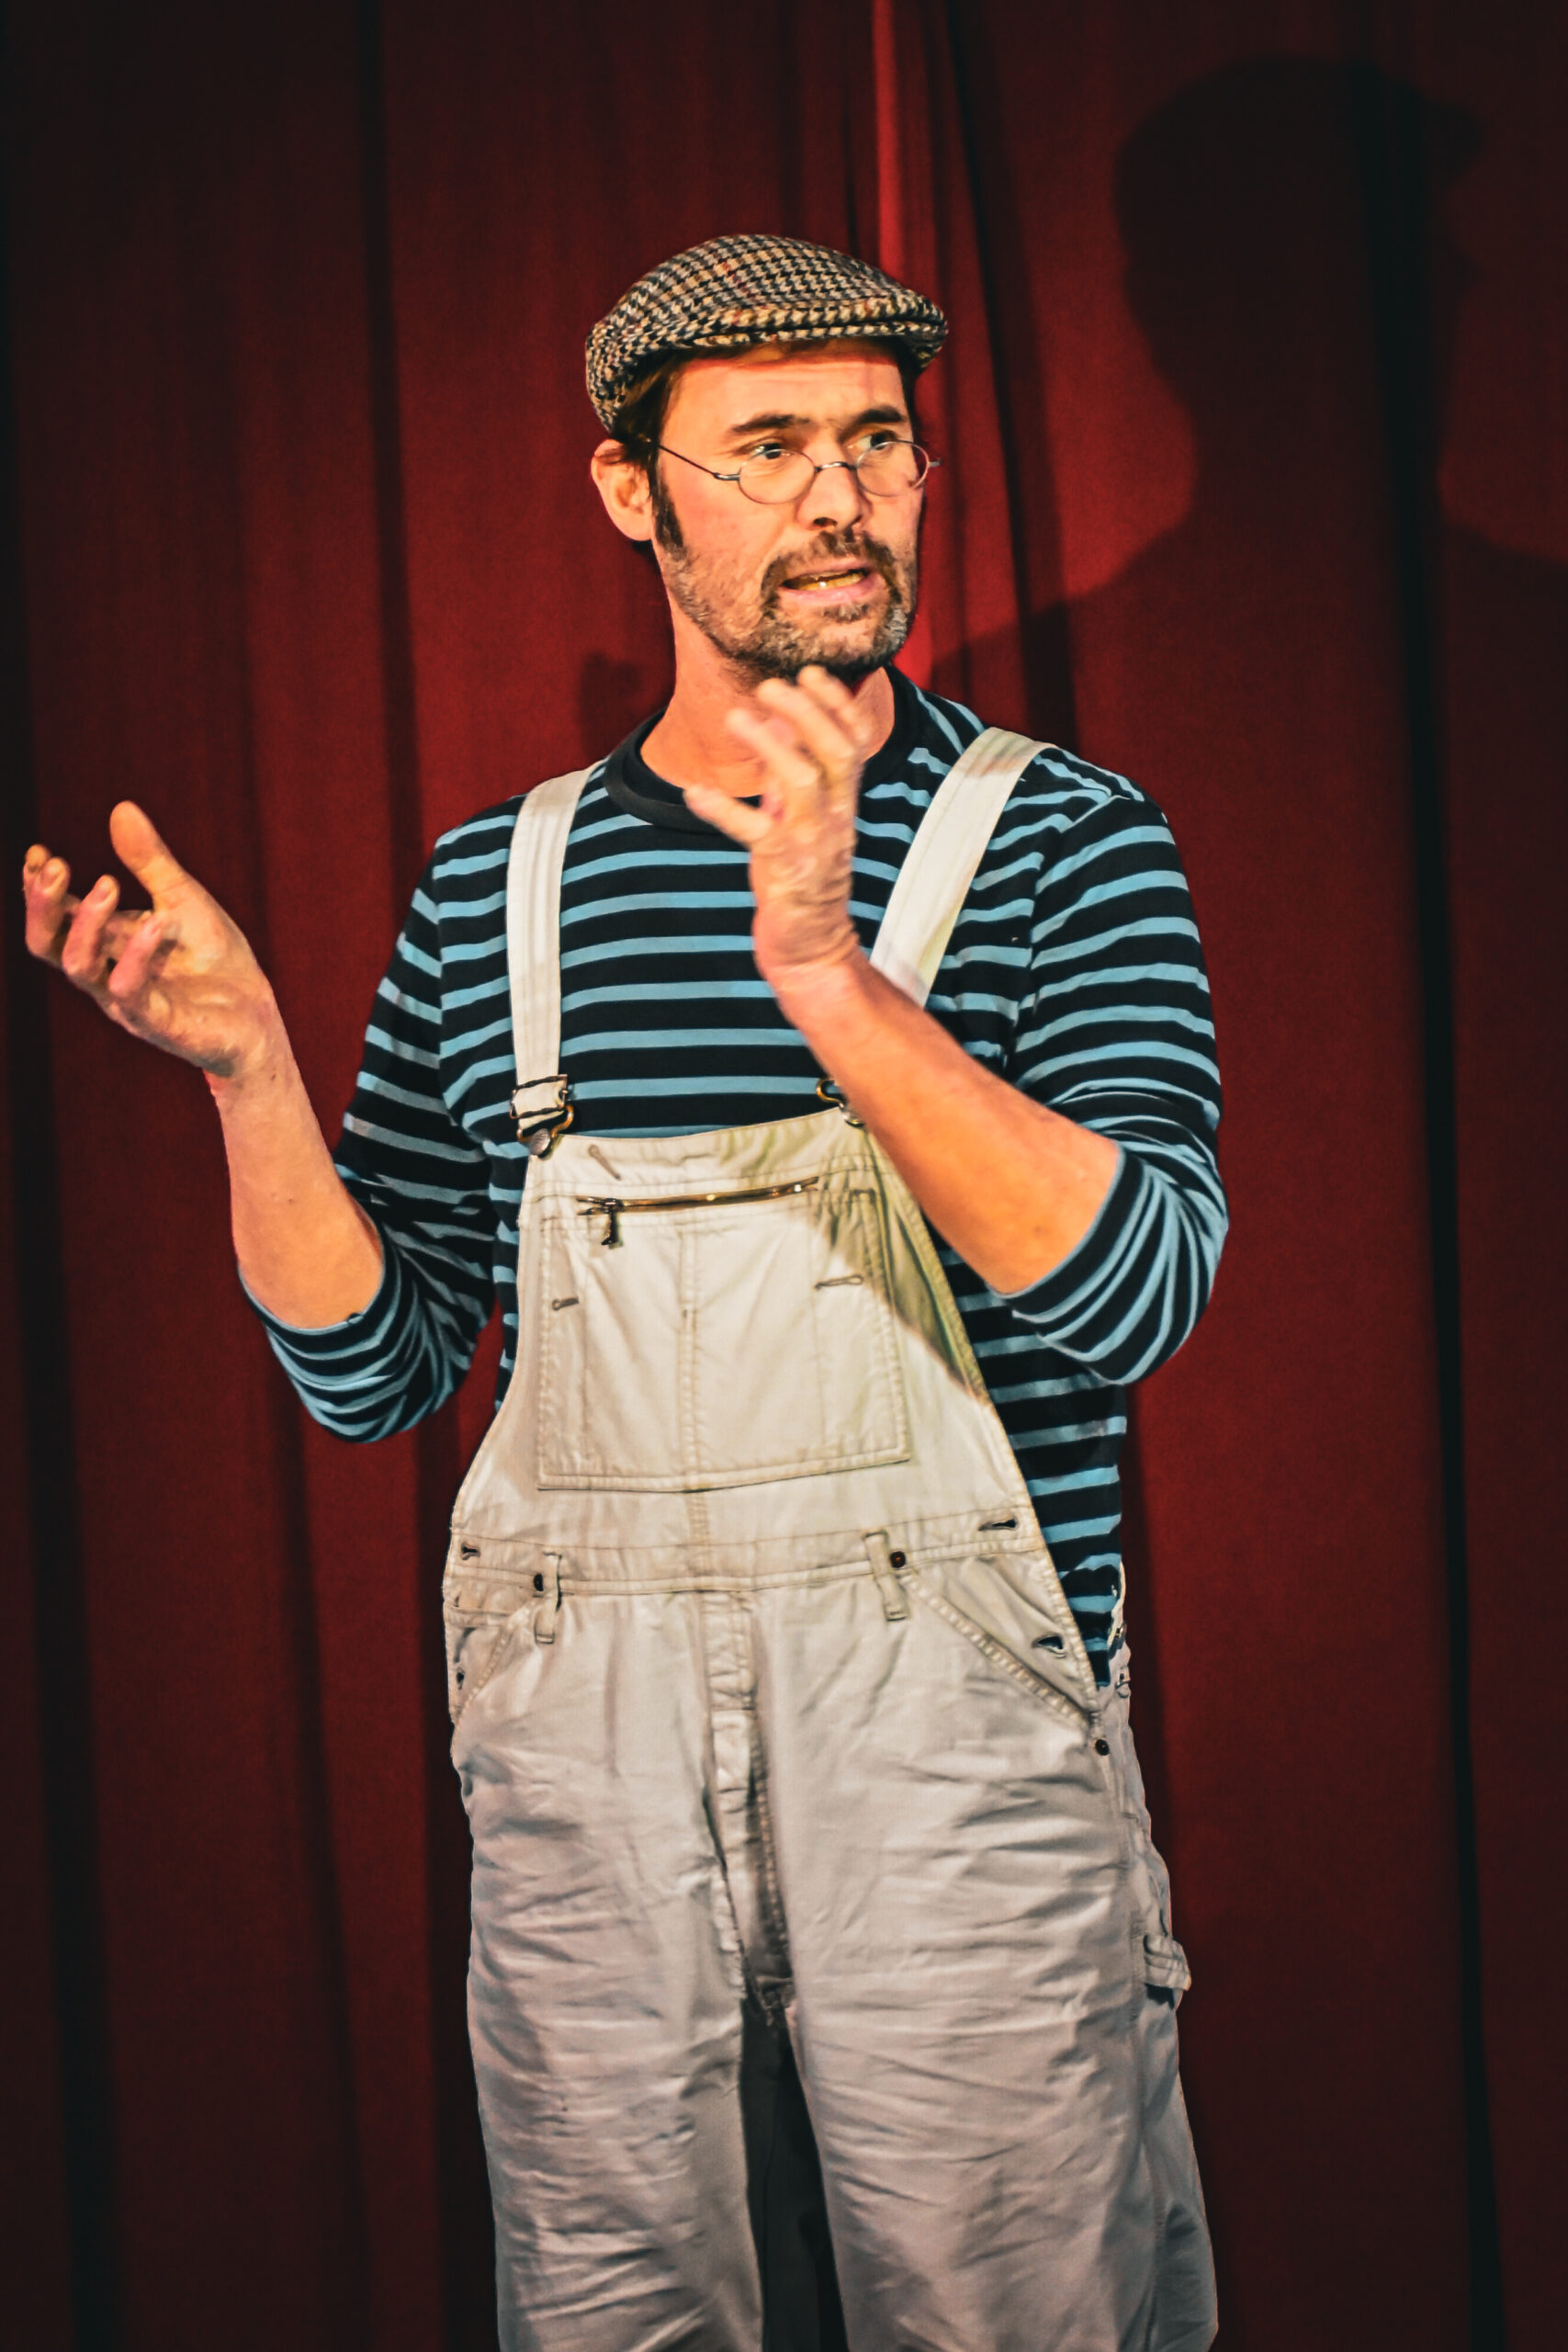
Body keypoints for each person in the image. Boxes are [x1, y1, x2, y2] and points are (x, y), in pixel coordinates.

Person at [24, 234, 1225, 2352]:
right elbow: (377, 1368)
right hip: (590, 1789)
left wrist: (828, 982)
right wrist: (251, 1077)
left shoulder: (1062, 841)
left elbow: (1132, 1290)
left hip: (951, 1782)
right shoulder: (492, 887)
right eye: (765, 446)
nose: (839, 497)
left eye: (877, 441)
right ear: (626, 488)